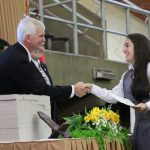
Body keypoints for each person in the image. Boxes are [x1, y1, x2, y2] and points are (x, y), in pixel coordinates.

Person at [0, 17, 90, 123]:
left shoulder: (15, 53)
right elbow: (42, 91)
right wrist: (73, 90)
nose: (44, 40)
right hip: (10, 121)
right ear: (28, 38)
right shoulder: (19, 59)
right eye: (41, 36)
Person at [88, 33, 150, 150]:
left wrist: (146, 106)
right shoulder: (126, 75)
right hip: (139, 128)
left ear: (138, 47)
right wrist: (91, 88)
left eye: (127, 46)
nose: (123, 50)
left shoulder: (149, 68)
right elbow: (113, 96)